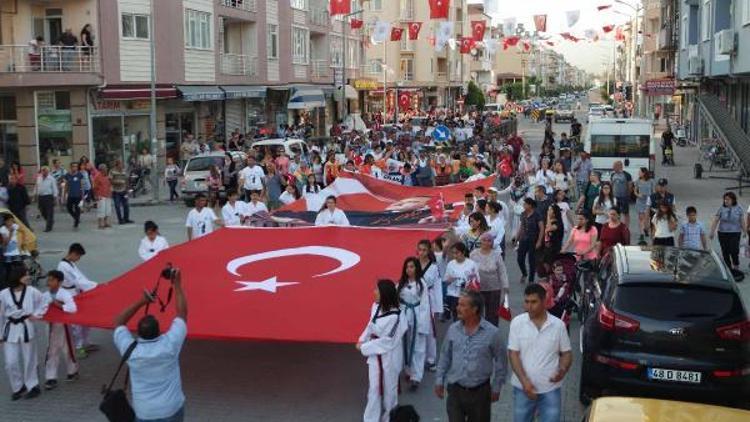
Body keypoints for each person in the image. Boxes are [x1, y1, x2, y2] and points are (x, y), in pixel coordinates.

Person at [113, 268, 187, 422]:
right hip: (171, 409)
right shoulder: (170, 344)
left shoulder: (130, 350)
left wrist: (142, 301)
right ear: (159, 331)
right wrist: (178, 285)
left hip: (145, 413)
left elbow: (119, 322)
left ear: (138, 333)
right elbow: (182, 314)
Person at [434, 290, 507, 422]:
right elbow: (445, 356)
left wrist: (496, 387)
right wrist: (439, 380)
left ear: (474, 309)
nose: (457, 308)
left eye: (462, 305)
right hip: (455, 390)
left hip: (480, 393)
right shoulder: (453, 330)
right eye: (458, 304)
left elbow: (501, 362)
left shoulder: (492, 333)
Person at [508, 284, 572, 422]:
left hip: (550, 390)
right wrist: (525, 382)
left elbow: (566, 354)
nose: (529, 306)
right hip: (522, 389)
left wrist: (562, 370)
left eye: (534, 302)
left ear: (544, 302)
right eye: (526, 302)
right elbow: (513, 354)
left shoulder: (558, 326)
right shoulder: (517, 323)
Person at [358, 279, 408, 422]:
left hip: (390, 356)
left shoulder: (398, 316)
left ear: (385, 294)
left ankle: (389, 418)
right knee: (373, 388)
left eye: (377, 290)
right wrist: (362, 339)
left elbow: (389, 341)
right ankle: (371, 419)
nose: (374, 292)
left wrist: (364, 347)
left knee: (389, 390)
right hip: (375, 354)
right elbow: (370, 325)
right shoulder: (376, 307)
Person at [0, 266, 47, 400]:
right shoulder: (3, 294)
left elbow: (44, 303)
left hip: (27, 326)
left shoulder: (32, 291)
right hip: (10, 329)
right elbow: (1, 315)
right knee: (10, 361)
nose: (28, 277)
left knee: (30, 359)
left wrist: (36, 314)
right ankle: (18, 386)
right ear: (18, 277)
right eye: (26, 275)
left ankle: (33, 386)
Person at [57, 243, 98, 358]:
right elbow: (78, 281)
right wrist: (96, 286)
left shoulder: (70, 263)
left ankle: (86, 342)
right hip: (69, 294)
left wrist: (92, 285)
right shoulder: (63, 266)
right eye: (78, 256)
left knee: (85, 319)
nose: (78, 259)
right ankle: (78, 347)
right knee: (76, 323)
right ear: (73, 254)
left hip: (77, 292)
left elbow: (81, 278)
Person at [42, 270, 79, 390]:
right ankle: (51, 377)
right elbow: (41, 309)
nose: (49, 282)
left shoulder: (65, 294)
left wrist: (58, 305)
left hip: (63, 326)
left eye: (52, 280)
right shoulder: (45, 295)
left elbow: (73, 308)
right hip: (51, 327)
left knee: (67, 349)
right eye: (48, 279)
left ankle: (72, 371)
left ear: (60, 282)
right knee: (51, 351)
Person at [397, 257, 430, 391]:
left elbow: (425, 305)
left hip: (417, 315)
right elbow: (397, 302)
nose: (409, 269)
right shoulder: (401, 284)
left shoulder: (421, 284)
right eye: (407, 267)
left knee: (418, 346)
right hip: (404, 314)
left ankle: (416, 377)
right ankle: (408, 371)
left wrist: (423, 325)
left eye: (412, 267)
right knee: (404, 345)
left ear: (417, 268)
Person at [470, 232, 509, 326]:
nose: (486, 242)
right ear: (480, 241)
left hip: (494, 288)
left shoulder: (496, 255)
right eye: (484, 240)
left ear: (492, 242)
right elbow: (469, 269)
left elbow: (502, 271)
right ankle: (478, 331)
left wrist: (505, 285)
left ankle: (492, 332)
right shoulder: (473, 254)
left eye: (489, 240)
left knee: (493, 313)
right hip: (478, 288)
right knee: (477, 311)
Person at [709, 192, 746, 271]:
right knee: (725, 251)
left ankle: (736, 265)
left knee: (734, 250)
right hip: (722, 233)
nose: (726, 201)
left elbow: (742, 221)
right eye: (725, 199)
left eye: (728, 199)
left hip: (735, 233)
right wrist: (712, 232)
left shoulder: (739, 208)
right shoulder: (721, 208)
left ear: (733, 200)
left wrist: (745, 231)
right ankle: (728, 268)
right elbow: (716, 220)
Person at [443, 243, 479, 321]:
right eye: (453, 253)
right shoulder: (450, 264)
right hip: (453, 296)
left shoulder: (471, 264)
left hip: (467, 296)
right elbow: (445, 280)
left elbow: (477, 281)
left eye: (457, 253)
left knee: (467, 318)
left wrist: (469, 283)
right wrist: (449, 280)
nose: (455, 255)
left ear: (463, 252)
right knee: (456, 319)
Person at [513, 198, 544, 284]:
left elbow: (541, 228)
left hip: (533, 239)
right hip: (524, 239)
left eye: (525, 204)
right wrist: (516, 238)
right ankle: (524, 273)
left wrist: (539, 241)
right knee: (520, 258)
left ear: (530, 205)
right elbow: (522, 227)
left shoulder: (537, 214)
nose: (524, 205)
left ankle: (531, 279)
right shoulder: (523, 214)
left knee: (532, 260)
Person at [634, 168, 655, 242]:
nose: (638, 173)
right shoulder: (637, 181)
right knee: (641, 218)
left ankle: (646, 229)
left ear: (644, 173)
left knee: (647, 218)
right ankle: (641, 234)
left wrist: (652, 199)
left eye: (640, 172)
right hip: (640, 201)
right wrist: (638, 195)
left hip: (648, 201)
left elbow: (653, 191)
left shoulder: (651, 181)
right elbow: (635, 191)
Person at [35, 166, 58, 232]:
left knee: (49, 212)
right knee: (42, 211)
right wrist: (35, 195)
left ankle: (48, 227)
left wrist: (55, 198)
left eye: (45, 171)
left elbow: (54, 188)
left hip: (48, 196)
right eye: (43, 170)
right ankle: (50, 221)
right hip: (40, 197)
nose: (44, 172)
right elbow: (37, 187)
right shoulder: (39, 178)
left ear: (48, 172)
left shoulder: (51, 179)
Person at [110, 159, 133, 225]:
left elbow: (126, 180)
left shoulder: (124, 171)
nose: (122, 165)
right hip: (116, 191)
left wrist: (128, 189)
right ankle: (120, 220)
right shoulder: (112, 171)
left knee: (126, 205)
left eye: (122, 164)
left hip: (124, 190)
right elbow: (110, 180)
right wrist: (117, 183)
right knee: (117, 206)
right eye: (120, 164)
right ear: (117, 165)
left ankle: (126, 218)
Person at [610, 161, 632, 226]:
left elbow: (630, 186)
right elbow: (611, 185)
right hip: (615, 197)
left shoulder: (627, 175)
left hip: (624, 196)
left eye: (614, 166)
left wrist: (628, 195)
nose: (613, 168)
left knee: (626, 213)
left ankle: (626, 227)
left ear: (619, 166)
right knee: (616, 212)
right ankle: (617, 225)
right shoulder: (613, 174)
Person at [92, 164, 113, 229]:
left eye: (106, 168)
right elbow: (94, 187)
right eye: (105, 168)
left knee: (107, 210)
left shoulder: (107, 176)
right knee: (101, 210)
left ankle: (106, 222)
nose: (106, 169)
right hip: (101, 195)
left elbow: (110, 184)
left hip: (108, 195)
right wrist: (96, 195)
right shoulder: (97, 176)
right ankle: (100, 224)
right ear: (101, 169)